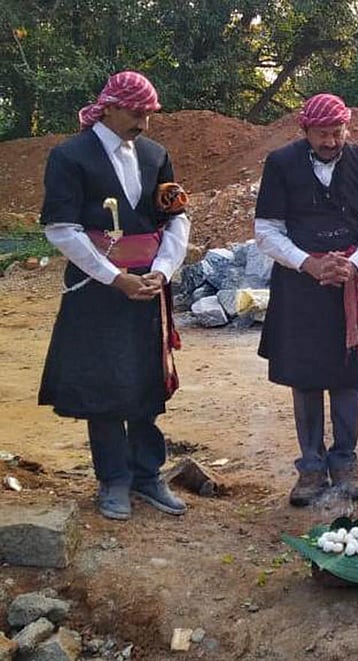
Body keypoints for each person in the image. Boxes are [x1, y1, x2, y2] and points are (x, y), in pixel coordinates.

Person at [39, 71, 190, 521]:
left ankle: (147, 475)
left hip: (147, 285)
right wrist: (113, 276)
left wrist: (162, 271)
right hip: (98, 289)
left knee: (146, 377)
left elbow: (177, 220)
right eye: (136, 113)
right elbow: (60, 229)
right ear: (107, 107)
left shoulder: (155, 155)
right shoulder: (69, 156)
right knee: (104, 382)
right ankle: (114, 480)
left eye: (148, 115)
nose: (143, 123)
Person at [254, 93, 358, 507]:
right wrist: (309, 264)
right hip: (300, 286)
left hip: (352, 283)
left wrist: (355, 263)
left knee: (352, 375)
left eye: (338, 133)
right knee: (306, 376)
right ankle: (312, 467)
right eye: (322, 134)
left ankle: (345, 461)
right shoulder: (280, 164)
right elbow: (267, 230)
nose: (331, 141)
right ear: (305, 131)